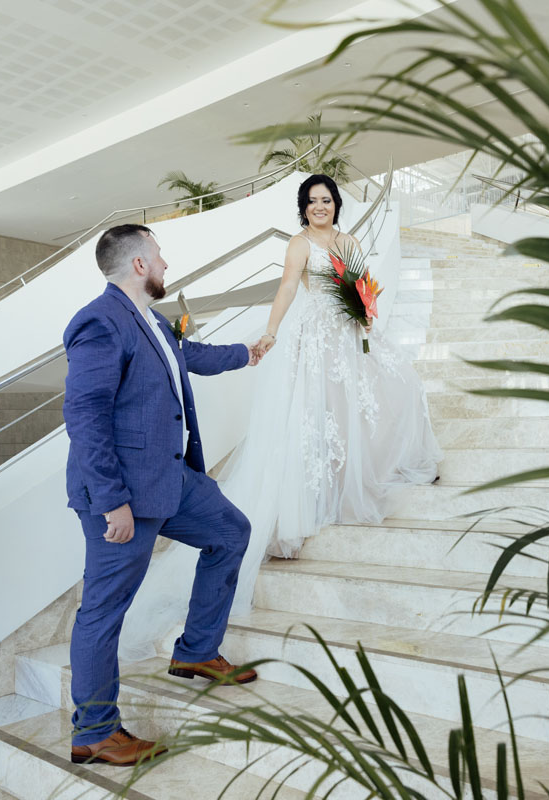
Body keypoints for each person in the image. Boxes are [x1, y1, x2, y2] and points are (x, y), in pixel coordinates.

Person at [62, 223, 265, 767]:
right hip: (122, 494)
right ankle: (96, 731)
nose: (166, 264)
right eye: (160, 255)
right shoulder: (100, 322)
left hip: (169, 479)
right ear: (138, 265)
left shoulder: (149, 320)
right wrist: (111, 502)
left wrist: (247, 352)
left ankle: (196, 652)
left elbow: (188, 355)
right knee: (103, 612)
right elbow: (85, 415)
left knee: (231, 532)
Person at [221, 173, 443, 612]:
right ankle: (309, 501)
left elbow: (362, 289)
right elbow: (287, 287)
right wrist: (271, 331)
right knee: (318, 414)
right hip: (317, 337)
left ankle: (368, 474)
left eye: (326, 200)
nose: (319, 207)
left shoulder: (350, 241)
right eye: (312, 201)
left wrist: (365, 317)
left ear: (336, 204)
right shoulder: (299, 243)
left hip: (348, 333)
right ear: (303, 207)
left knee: (383, 392)